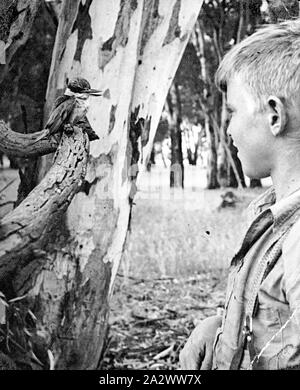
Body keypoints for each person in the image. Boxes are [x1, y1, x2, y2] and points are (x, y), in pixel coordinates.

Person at [180, 20, 300, 370]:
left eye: (232, 112)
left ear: (275, 115)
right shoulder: (270, 211)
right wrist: (220, 328)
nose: (229, 129)